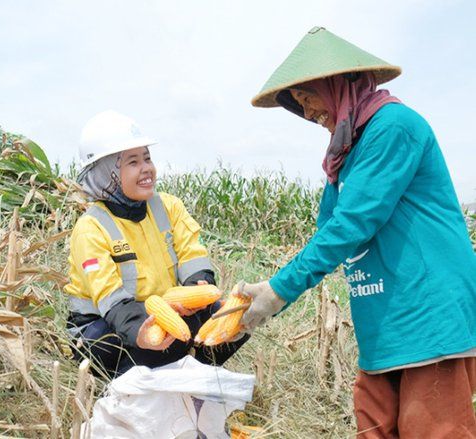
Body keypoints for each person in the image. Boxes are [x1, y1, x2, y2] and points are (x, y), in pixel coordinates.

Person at [244, 27, 476, 437]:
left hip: (426, 314)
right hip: (383, 321)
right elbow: (327, 232)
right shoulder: (345, 154)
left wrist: (279, 290)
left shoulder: (393, 127)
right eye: (299, 104)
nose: (308, 111)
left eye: (309, 96)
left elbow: (352, 226)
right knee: (374, 428)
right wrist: (269, 291)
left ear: (337, 85)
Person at [64, 109, 248, 378]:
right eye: (133, 162)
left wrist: (197, 289)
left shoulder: (169, 207)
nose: (147, 169)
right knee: (154, 345)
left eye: (147, 158)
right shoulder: (90, 228)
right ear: (107, 173)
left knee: (229, 319)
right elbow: (111, 300)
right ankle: (151, 373)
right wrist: (144, 332)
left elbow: (192, 256)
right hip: (105, 326)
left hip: (166, 309)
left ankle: (193, 373)